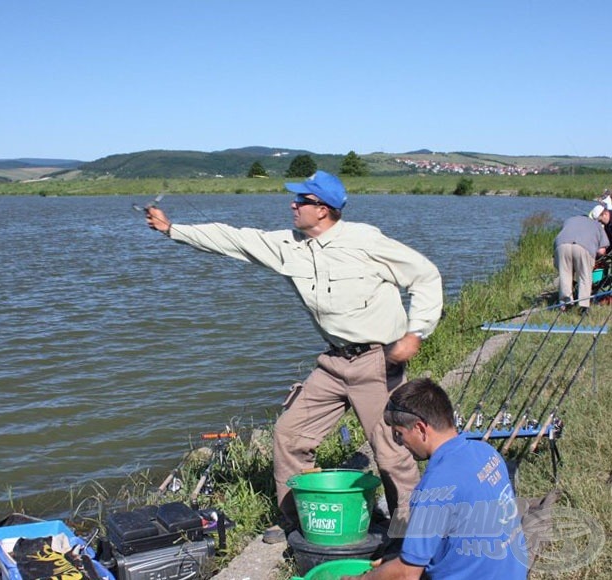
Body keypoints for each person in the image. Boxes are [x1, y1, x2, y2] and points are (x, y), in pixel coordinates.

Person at [143, 171, 443, 542]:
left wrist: (415, 333)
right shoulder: (289, 245)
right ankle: (299, 519)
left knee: (389, 448)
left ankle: (410, 528)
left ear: (322, 210)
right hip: (334, 362)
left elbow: (426, 275)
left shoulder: (365, 240)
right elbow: (234, 239)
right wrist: (173, 229)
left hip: (377, 362)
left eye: (300, 200)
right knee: (288, 433)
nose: (292, 204)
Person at [348, 377, 528, 579]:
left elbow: (407, 574)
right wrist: (397, 562)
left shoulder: (435, 488)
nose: (399, 443)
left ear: (420, 429)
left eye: (399, 434)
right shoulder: (487, 453)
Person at [554, 204, 610, 314]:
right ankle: (584, 306)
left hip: (561, 246)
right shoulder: (597, 225)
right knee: (585, 277)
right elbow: (602, 251)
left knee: (565, 275)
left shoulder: (569, 220)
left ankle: (565, 305)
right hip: (583, 248)